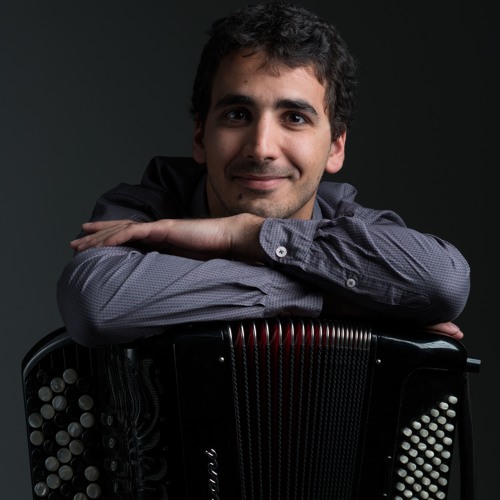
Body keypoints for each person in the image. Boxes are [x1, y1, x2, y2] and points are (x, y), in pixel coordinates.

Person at [57, 1, 470, 347]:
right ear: (200, 136)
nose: (261, 148)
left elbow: (444, 285)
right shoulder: (145, 209)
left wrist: (244, 235)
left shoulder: (349, 225)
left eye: (294, 118)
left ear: (335, 146)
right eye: (238, 115)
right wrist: (327, 299)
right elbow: (96, 305)